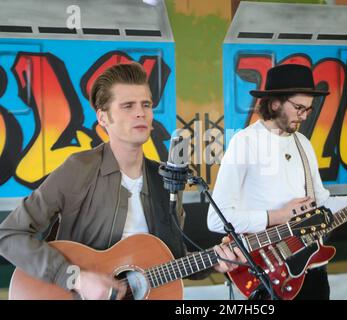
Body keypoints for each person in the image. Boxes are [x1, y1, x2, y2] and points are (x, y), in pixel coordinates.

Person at [0, 63, 244, 300]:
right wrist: (76, 278)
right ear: (103, 117)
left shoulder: (165, 179)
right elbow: (9, 234)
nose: (141, 112)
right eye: (128, 106)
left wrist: (215, 261)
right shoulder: (79, 169)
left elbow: (174, 260)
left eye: (146, 105)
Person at [207, 64, 347, 300]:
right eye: (299, 107)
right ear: (274, 103)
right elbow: (216, 219)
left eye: (308, 109)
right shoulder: (245, 142)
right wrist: (278, 216)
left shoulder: (303, 144)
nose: (303, 115)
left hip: (313, 272)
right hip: (268, 275)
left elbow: (322, 207)